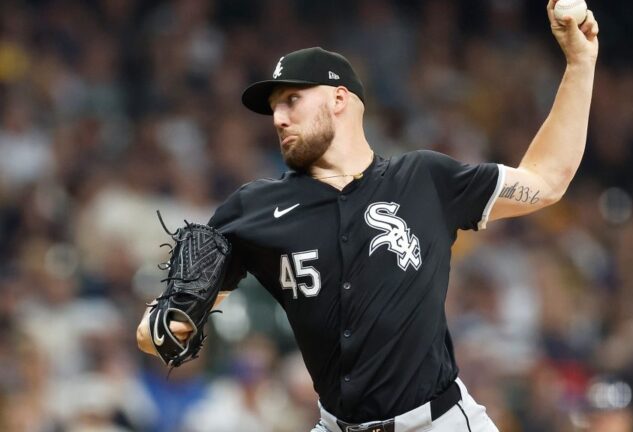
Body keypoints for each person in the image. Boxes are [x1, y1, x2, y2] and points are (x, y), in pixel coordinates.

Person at [137, 1, 599, 430]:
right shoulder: (252, 210)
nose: (278, 117)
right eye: (274, 107)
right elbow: (170, 322)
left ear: (340, 99)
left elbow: (546, 180)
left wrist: (580, 63)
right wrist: (163, 323)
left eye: (291, 100)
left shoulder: (423, 179)